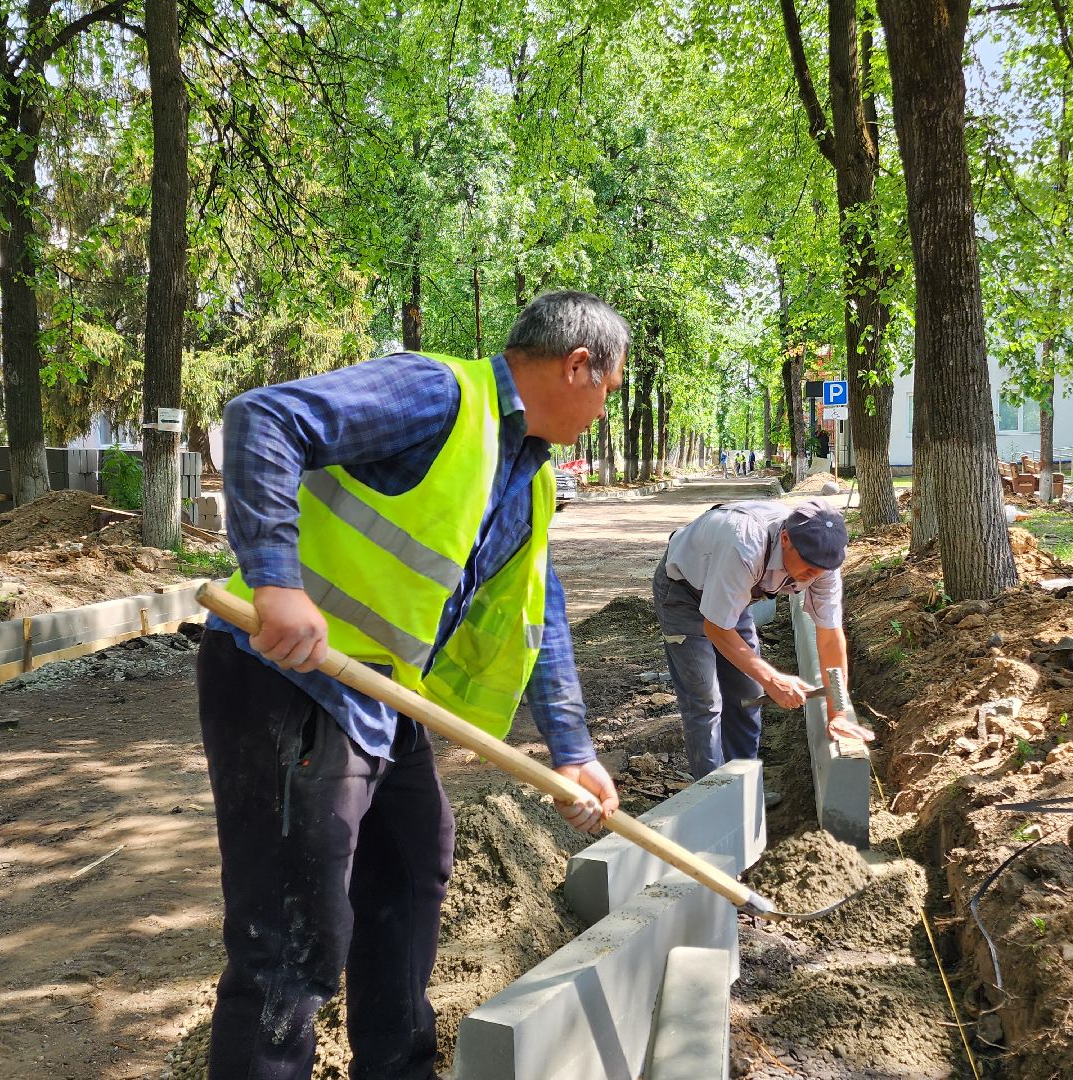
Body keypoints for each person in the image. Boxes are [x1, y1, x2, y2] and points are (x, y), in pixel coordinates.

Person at [198, 291, 627, 1080]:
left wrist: (573, 750)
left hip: (381, 698)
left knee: (411, 869)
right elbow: (263, 418)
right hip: (289, 682)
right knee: (292, 942)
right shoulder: (439, 396)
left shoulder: (526, 472)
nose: (606, 409)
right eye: (610, 388)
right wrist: (274, 582)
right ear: (578, 367)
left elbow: (544, 611)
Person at [652, 498, 875, 783]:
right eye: (807, 566)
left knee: (747, 691)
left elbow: (830, 638)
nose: (813, 575)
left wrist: (838, 713)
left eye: (820, 570)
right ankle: (714, 797)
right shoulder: (744, 545)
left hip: (737, 591)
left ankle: (745, 789)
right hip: (683, 591)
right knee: (705, 700)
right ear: (785, 539)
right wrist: (773, 679)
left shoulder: (823, 562)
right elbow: (717, 628)